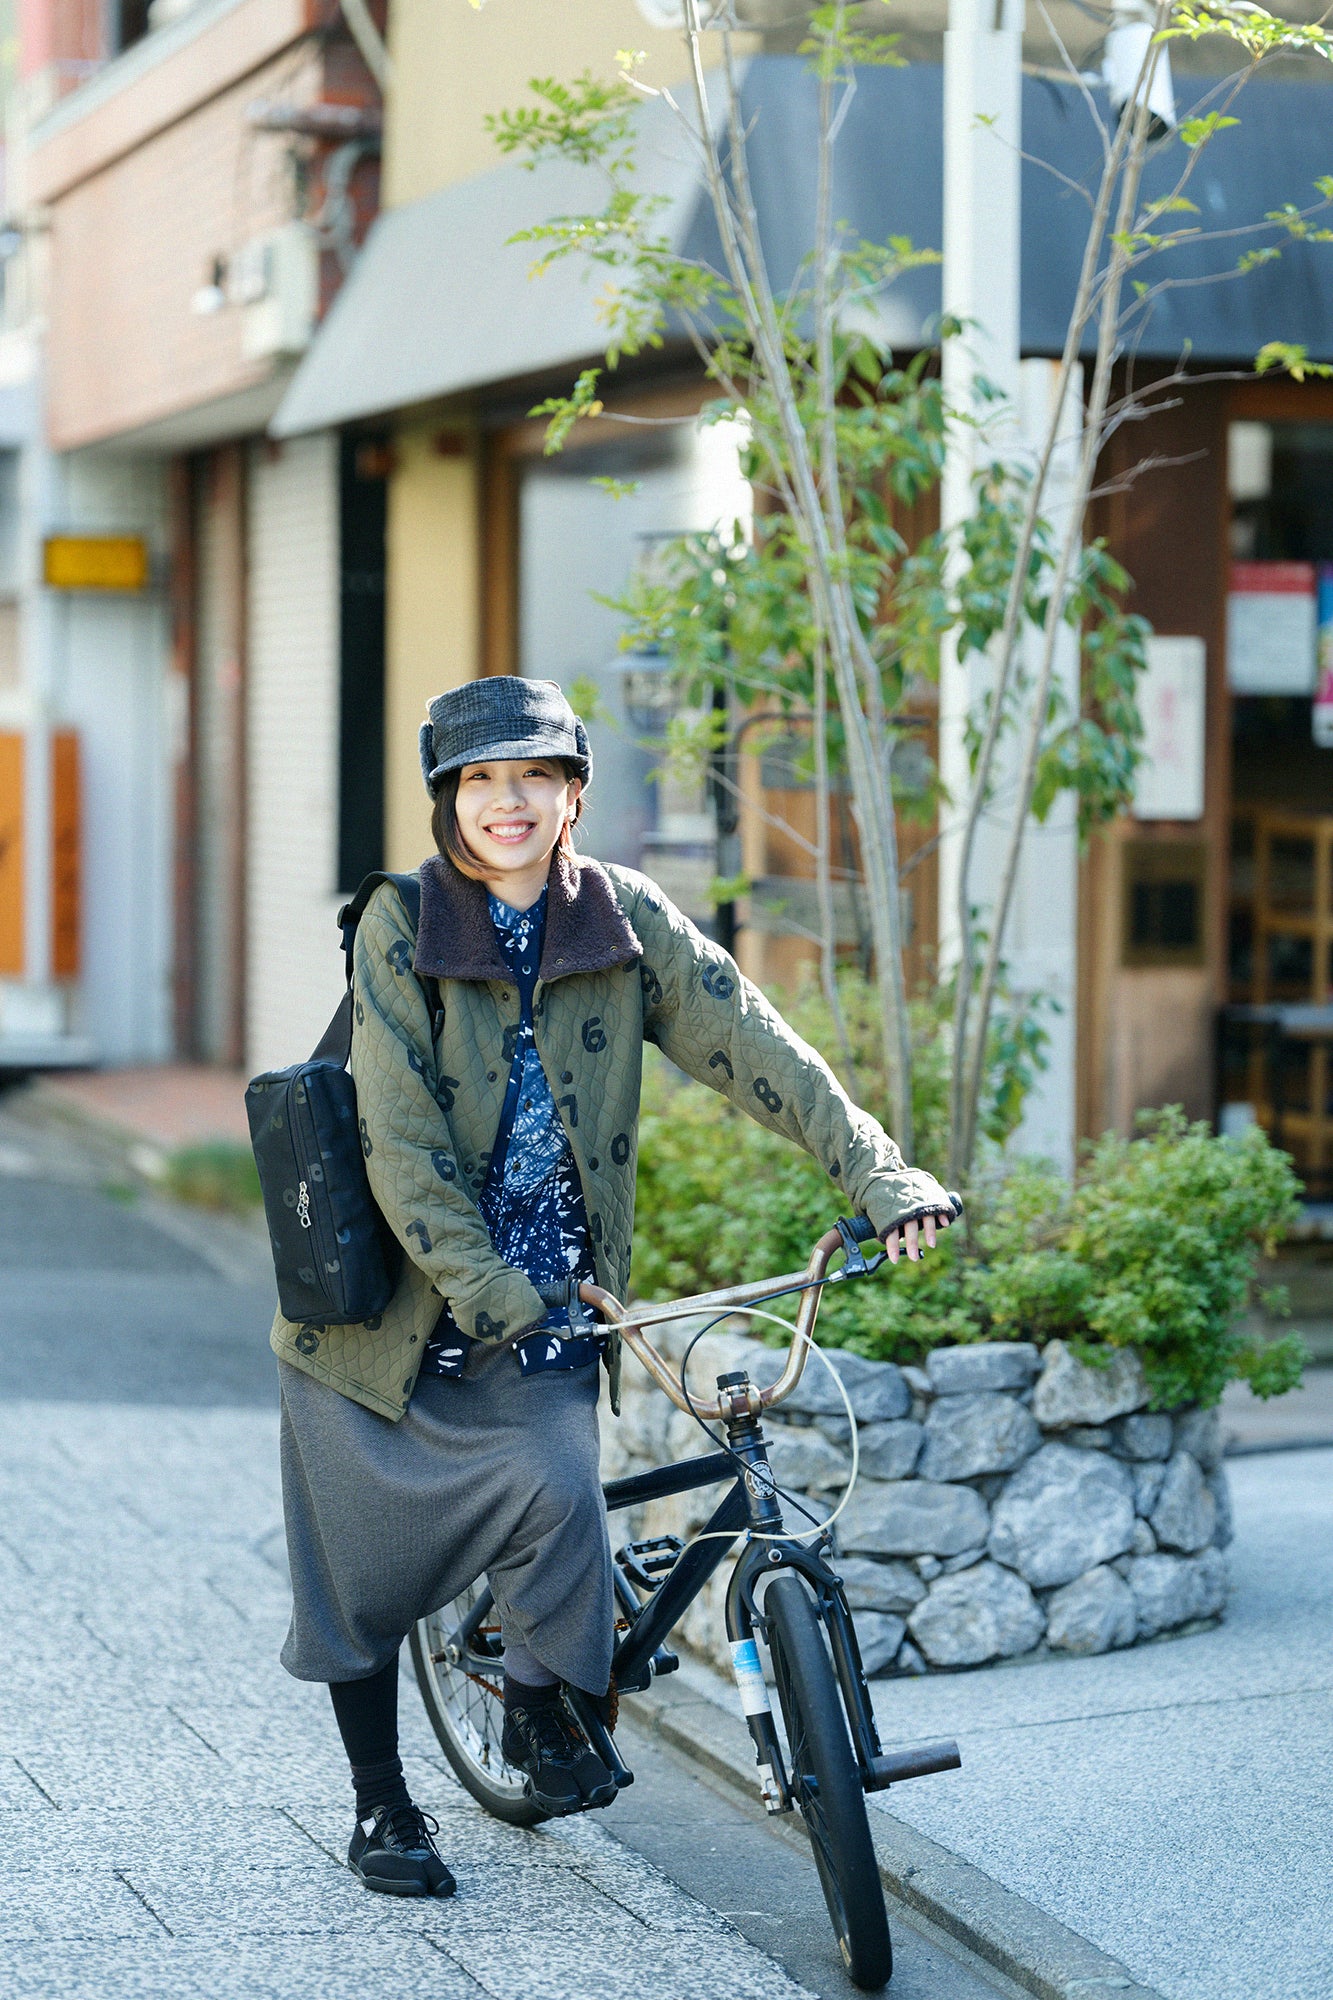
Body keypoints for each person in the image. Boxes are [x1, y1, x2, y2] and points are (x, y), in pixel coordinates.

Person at [270, 676, 954, 1900]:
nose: (506, 801)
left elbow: (756, 1046)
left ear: (573, 790)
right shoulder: (400, 922)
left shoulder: (622, 918)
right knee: (358, 1573)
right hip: (384, 1309)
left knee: (560, 1489)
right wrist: (493, 1291)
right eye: (478, 778)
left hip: (548, 1308)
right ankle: (382, 1802)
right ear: (448, 799)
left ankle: (536, 1707)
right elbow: (398, 1135)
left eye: (532, 774)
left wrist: (880, 1170)